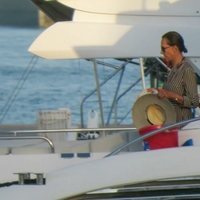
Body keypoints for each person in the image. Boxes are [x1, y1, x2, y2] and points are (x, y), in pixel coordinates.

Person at [149, 31, 199, 122]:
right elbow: (168, 94)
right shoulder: (173, 70)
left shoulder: (186, 70)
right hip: (170, 123)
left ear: (175, 48)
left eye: (164, 48)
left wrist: (171, 95)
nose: (161, 52)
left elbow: (194, 101)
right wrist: (157, 92)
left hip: (181, 126)